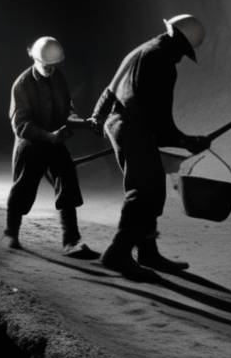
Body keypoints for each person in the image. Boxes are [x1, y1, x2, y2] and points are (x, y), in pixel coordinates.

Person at [90, 15, 210, 280]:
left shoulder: (143, 49)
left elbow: (111, 88)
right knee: (143, 191)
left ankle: (148, 251)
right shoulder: (161, 62)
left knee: (153, 186)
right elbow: (159, 120)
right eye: (184, 52)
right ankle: (118, 253)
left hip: (120, 122)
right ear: (178, 41)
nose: (181, 58)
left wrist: (98, 118)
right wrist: (187, 141)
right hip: (133, 126)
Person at [5, 37, 97, 259]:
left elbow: (67, 110)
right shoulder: (22, 84)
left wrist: (84, 122)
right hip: (31, 143)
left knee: (68, 182)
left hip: (55, 141)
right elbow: (21, 125)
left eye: (54, 65)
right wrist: (48, 135)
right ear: (35, 59)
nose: (50, 69)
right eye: (47, 65)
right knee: (23, 189)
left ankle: (71, 241)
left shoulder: (59, 78)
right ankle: (11, 233)